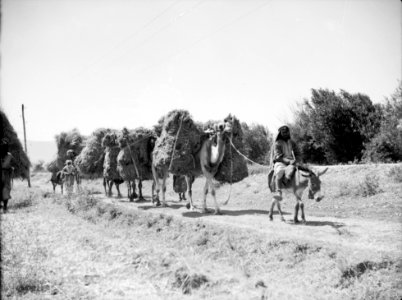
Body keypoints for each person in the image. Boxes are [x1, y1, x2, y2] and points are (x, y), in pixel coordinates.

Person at [271, 125, 300, 201]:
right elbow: (278, 156)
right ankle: (278, 191)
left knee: (294, 169)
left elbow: (297, 152)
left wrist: (297, 159)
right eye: (283, 133)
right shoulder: (277, 143)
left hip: (290, 161)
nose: (285, 134)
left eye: (287, 132)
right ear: (281, 133)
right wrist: (288, 161)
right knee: (280, 171)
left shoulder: (292, 142)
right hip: (280, 161)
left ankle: (286, 183)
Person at [1, 139, 15, 213]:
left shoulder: (9, 156)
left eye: (4, 147)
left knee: (6, 189)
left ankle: (5, 207)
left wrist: (11, 168)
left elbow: (13, 164)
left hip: (6, 175)